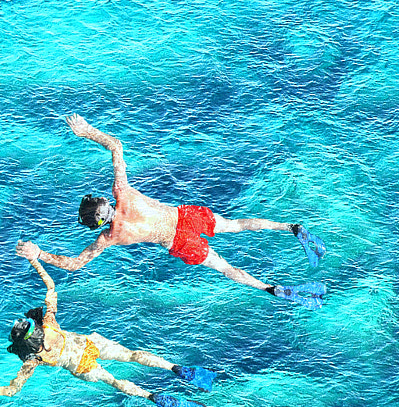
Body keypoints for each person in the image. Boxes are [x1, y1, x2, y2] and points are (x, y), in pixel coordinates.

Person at [20, 115, 327, 308]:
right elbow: (115, 146)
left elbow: (74, 264)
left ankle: (270, 287)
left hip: (176, 241)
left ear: (96, 222)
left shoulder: (109, 238)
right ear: (105, 203)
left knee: (224, 268)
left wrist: (38, 253)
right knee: (236, 226)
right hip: (184, 217)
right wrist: (87, 131)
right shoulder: (122, 192)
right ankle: (291, 228)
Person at [0, 255, 214, 407]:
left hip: (81, 366)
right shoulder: (49, 324)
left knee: (115, 381)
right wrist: (35, 261)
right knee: (133, 355)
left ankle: (153, 397)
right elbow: (51, 288)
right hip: (90, 344)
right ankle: (176, 369)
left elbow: (11, 390)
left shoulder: (33, 360)